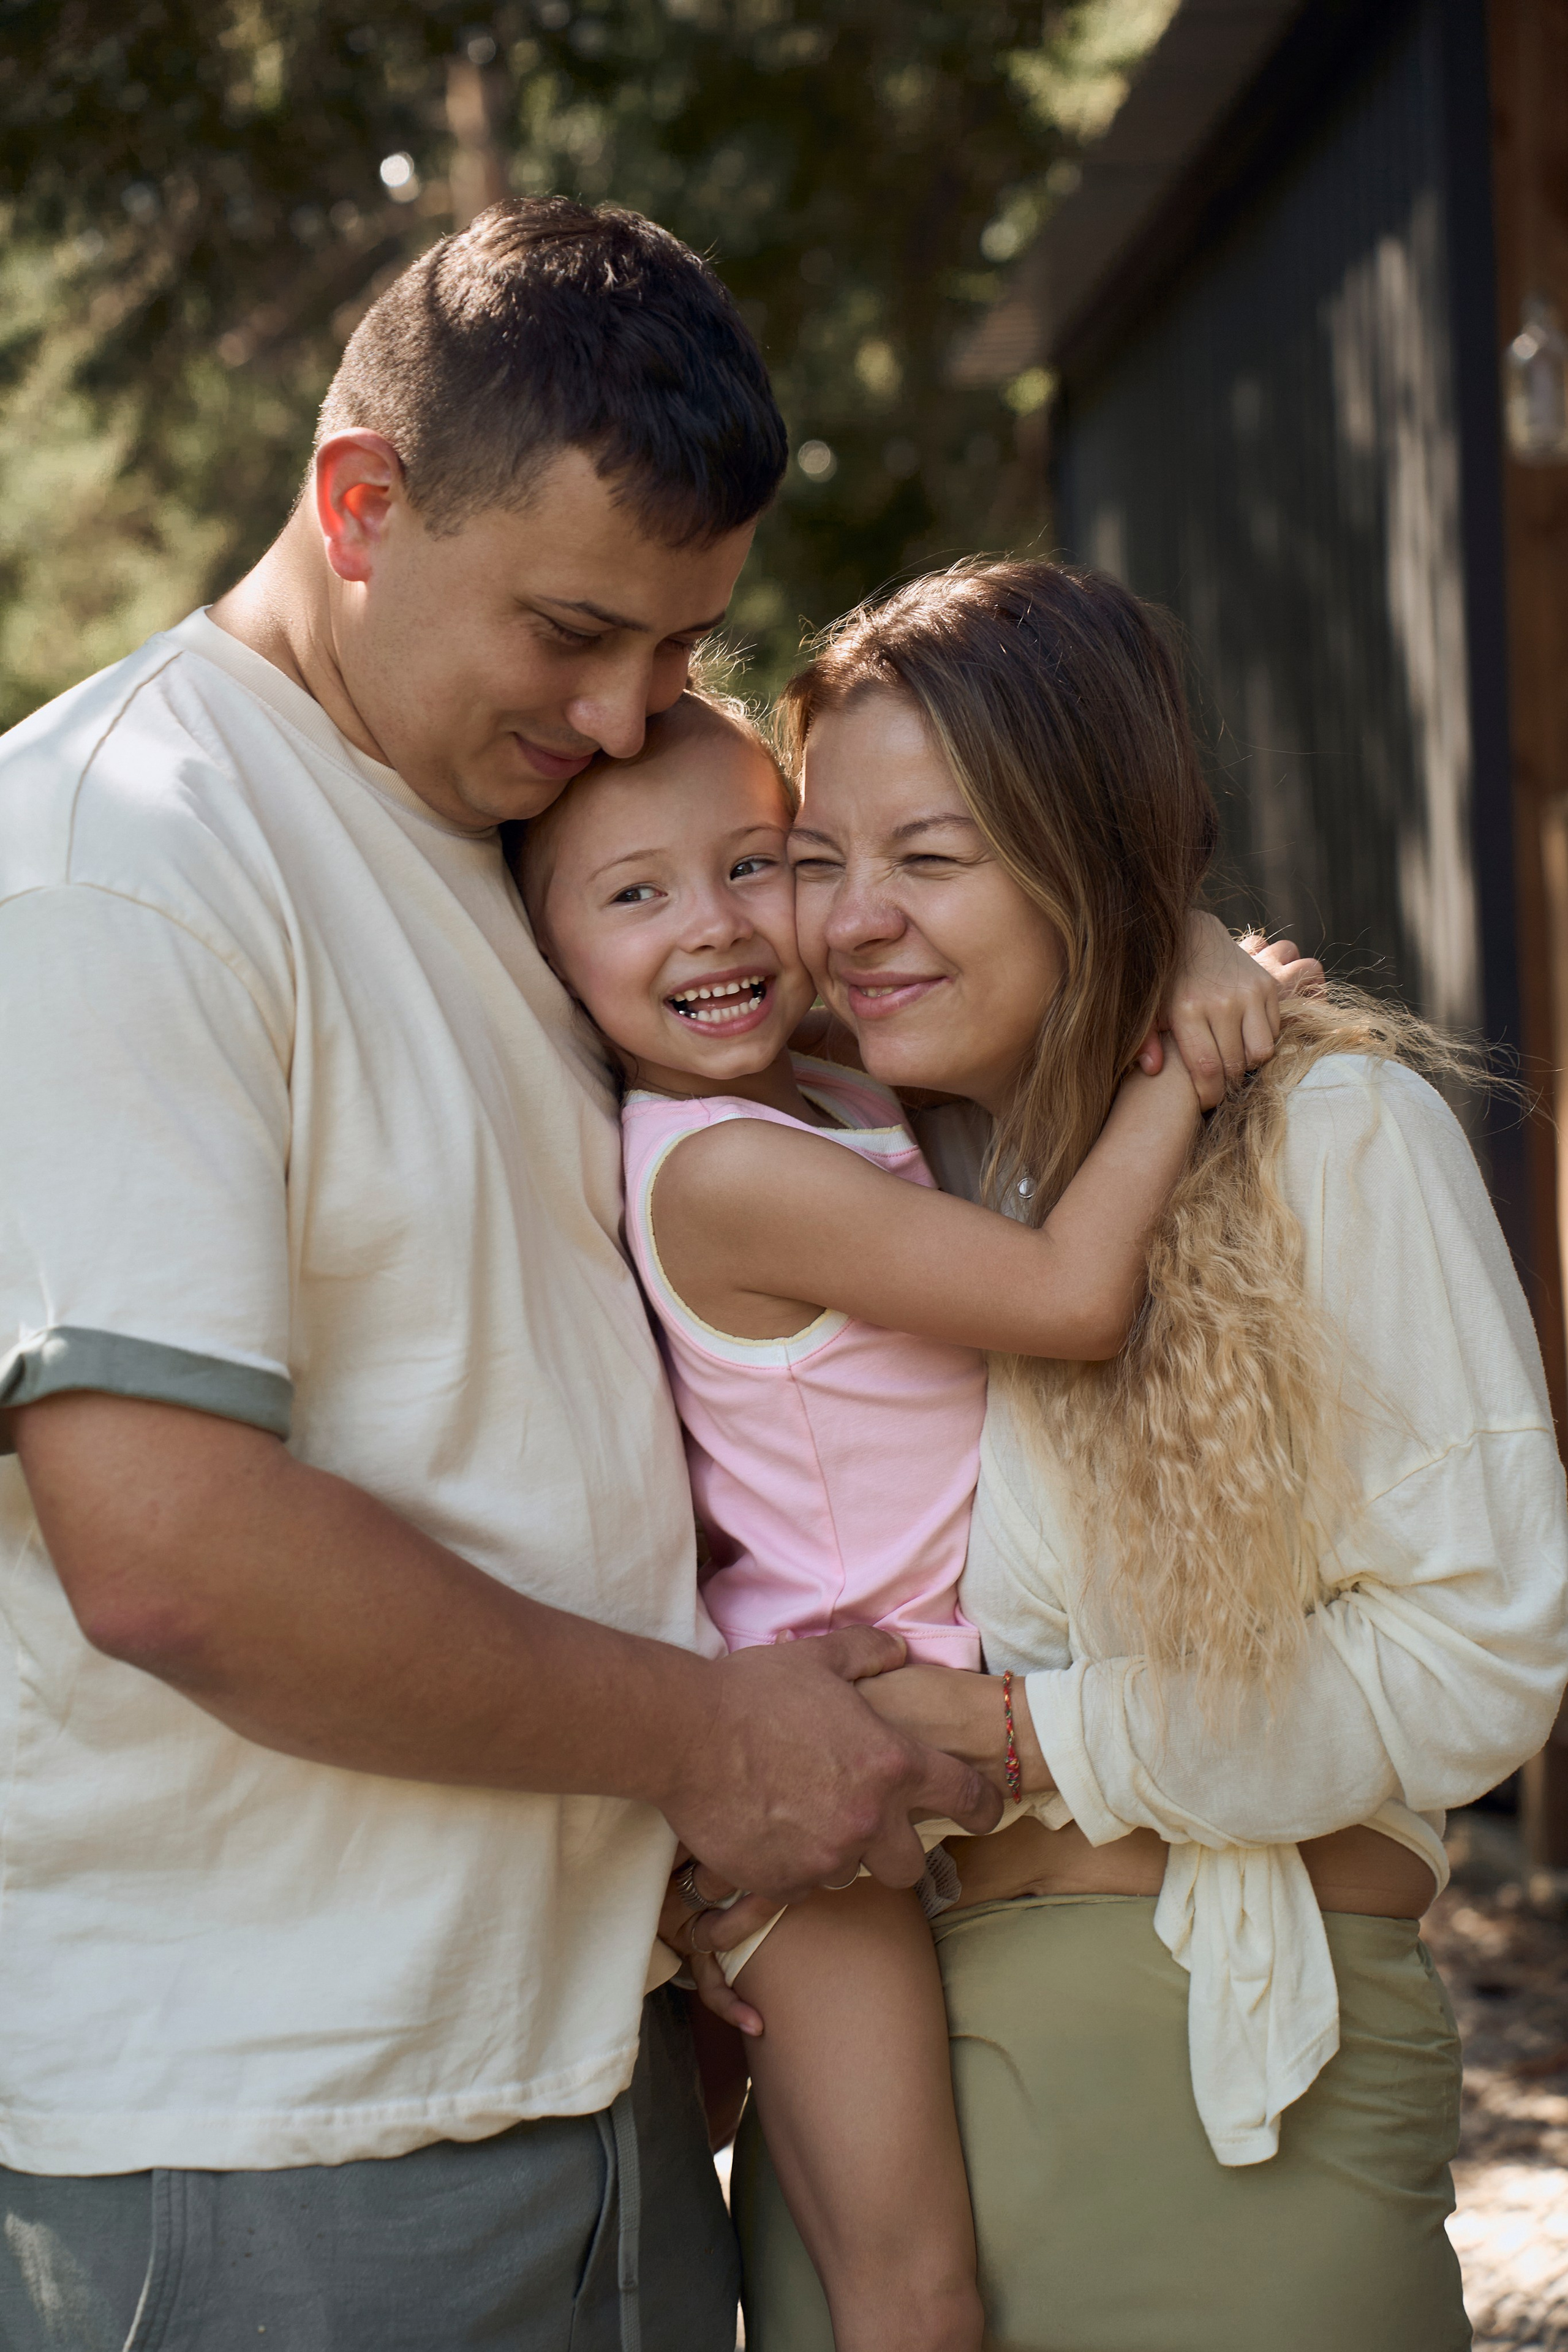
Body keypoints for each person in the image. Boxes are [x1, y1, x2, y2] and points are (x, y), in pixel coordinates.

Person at [0, 199, 1018, 2351]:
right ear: (361, 505)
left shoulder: (500, 838)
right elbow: (165, 1551)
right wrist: (709, 1736)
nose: (627, 708)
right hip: (280, 2139)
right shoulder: (122, 855)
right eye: (573, 629)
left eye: (676, 646)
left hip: (591, 2075)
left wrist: (1164, 951)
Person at [715, 559, 1568, 2352]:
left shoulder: (1327, 1135)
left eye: (930, 859)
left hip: (1231, 2086)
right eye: (819, 857)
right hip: (871, 2125)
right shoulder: (854, 1164)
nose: (855, 919)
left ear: (1089, 855)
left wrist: (1042, 1740)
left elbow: (1482, 1655)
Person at [518, 686, 1245, 2352]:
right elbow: (1067, 1298)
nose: (715, 925)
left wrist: (1185, 941)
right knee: (910, 2298)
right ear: (547, 947)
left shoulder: (825, 1088)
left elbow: (1036, 975)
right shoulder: (719, 1166)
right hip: (821, 1777)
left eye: (759, 863)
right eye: (634, 894)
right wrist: (1187, 1073)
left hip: (935, 1725)